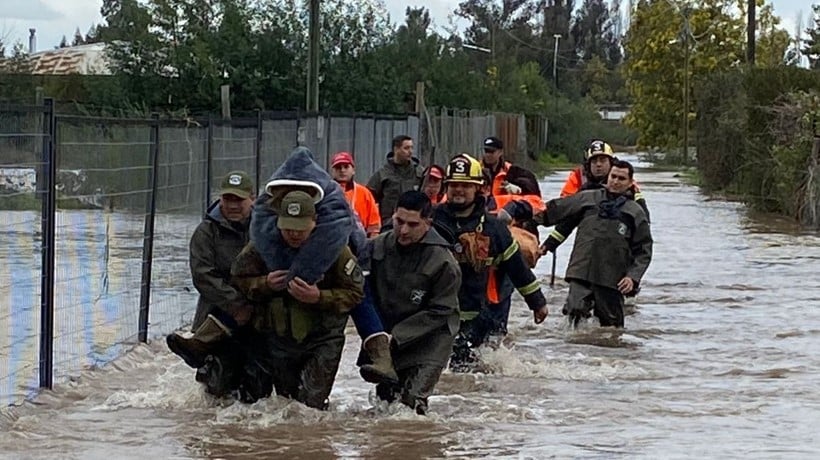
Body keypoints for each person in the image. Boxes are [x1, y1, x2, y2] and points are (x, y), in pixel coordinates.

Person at [252, 147, 398, 386]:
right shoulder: (266, 210)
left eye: (345, 167)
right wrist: (268, 278)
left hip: (346, 255)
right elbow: (246, 263)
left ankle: (381, 354)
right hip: (281, 321)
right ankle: (210, 334)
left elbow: (349, 233)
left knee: (362, 299)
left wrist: (303, 275)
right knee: (239, 293)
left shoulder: (336, 203)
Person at [231, 191, 365, 409]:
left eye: (301, 228)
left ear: (314, 223)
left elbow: (355, 293)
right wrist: (264, 283)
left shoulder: (334, 249)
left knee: (310, 407)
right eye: (288, 227)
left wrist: (319, 297)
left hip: (323, 338)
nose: (294, 233)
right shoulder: (263, 246)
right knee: (289, 404)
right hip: (280, 338)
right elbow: (238, 280)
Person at [433, 154, 548, 372]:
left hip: (478, 315)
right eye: (454, 185)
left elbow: (517, 268)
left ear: (478, 188)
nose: (458, 190)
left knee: (467, 375)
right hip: (436, 313)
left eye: (465, 185)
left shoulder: (494, 228)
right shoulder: (431, 220)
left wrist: (537, 303)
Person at [363, 191, 460, 415]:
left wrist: (397, 335)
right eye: (399, 221)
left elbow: (442, 310)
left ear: (428, 223)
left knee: (411, 406)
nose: (403, 230)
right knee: (385, 405)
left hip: (431, 337)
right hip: (389, 335)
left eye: (413, 224)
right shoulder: (377, 247)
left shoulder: (443, 262)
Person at [534, 160, 653, 328]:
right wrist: (528, 218)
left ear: (630, 183)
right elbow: (557, 211)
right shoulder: (588, 198)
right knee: (574, 315)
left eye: (621, 178)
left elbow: (644, 251)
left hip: (612, 279)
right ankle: (576, 353)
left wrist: (632, 277)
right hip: (582, 271)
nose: (616, 181)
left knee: (611, 329)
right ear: (608, 177)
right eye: (613, 176)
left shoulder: (635, 212)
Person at [166, 170, 255, 371]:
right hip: (217, 310)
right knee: (216, 384)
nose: (233, 205)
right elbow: (202, 275)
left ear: (252, 198)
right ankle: (200, 346)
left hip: (258, 312)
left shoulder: (264, 228)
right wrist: (237, 306)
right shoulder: (206, 232)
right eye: (227, 198)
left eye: (239, 199)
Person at [366, 135, 424, 228]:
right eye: (406, 148)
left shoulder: (419, 173)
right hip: (388, 224)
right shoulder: (383, 174)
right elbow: (368, 198)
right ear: (396, 149)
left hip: (413, 223)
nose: (410, 152)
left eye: (412, 148)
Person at [330, 151, 381, 237]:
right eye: (338, 167)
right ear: (333, 171)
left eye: (346, 167)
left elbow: (374, 224)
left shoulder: (364, 193)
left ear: (353, 170)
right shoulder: (326, 192)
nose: (342, 170)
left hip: (361, 240)